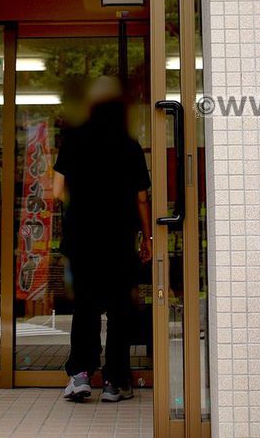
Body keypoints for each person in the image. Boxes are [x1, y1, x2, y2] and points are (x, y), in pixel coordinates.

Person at [52, 76, 152, 403]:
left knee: (86, 308)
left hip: (82, 239)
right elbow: (141, 198)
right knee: (120, 310)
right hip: (120, 240)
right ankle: (115, 382)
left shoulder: (73, 140)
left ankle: (80, 376)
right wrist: (147, 237)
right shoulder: (129, 145)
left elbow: (56, 190)